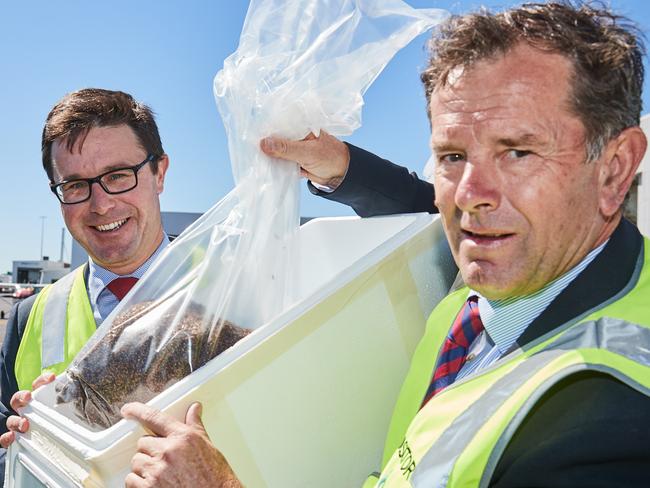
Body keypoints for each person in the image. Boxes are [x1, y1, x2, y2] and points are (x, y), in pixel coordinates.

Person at [120, 2, 650, 487]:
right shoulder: (503, 278)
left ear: (615, 169)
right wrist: (337, 167)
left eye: (517, 153)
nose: (469, 197)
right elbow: (425, 207)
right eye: (452, 156)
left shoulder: (606, 420)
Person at [0, 88, 171, 478]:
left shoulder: (232, 277)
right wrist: (23, 451)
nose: (101, 204)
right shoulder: (31, 315)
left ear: (159, 173)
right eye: (76, 185)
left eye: (117, 176)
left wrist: (338, 173)